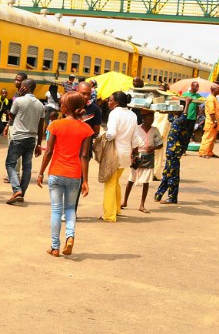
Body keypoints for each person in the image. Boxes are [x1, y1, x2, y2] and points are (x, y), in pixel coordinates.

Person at [37, 92, 93, 257]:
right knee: (69, 209)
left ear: (66, 107)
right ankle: (70, 236)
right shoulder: (86, 129)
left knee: (56, 210)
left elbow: (48, 152)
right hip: (74, 174)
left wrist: (40, 173)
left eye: (61, 103)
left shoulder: (55, 125)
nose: (60, 105)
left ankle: (55, 247)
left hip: (56, 172)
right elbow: (84, 156)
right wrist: (85, 180)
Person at [5, 79, 45, 204]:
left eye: (22, 86)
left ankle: (17, 189)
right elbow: (41, 126)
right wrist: (39, 144)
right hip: (32, 139)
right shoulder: (40, 105)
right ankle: (21, 192)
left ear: (25, 88)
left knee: (10, 163)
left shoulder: (19, 101)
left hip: (18, 138)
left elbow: (11, 116)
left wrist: (17, 96)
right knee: (27, 167)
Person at [102, 91, 140, 222]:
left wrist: (103, 135)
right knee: (116, 181)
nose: (108, 102)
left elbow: (111, 134)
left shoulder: (114, 113)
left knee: (110, 184)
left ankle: (109, 215)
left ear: (116, 102)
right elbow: (135, 138)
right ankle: (117, 209)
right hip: (125, 154)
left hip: (115, 152)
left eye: (110, 100)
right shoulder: (132, 115)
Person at [121, 111, 163, 213]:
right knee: (131, 180)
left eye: (152, 117)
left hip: (149, 157)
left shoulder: (155, 130)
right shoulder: (137, 129)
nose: (151, 119)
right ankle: (125, 201)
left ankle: (142, 204)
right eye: (149, 117)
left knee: (146, 182)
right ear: (144, 118)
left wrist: (153, 148)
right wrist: (131, 156)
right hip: (137, 156)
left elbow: (160, 144)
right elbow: (131, 143)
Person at [154, 101, 195, 204]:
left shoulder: (180, 121)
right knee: (166, 173)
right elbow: (168, 116)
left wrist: (187, 103)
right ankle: (158, 194)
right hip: (170, 153)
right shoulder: (174, 120)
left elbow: (184, 115)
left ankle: (172, 198)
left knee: (173, 176)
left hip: (174, 153)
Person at [199, 85, 219, 158]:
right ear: (213, 90)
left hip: (215, 122)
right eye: (217, 89)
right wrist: (214, 121)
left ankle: (209, 152)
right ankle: (203, 152)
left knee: (212, 138)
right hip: (211, 122)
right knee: (208, 137)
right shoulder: (210, 99)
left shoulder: (214, 98)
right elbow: (211, 111)